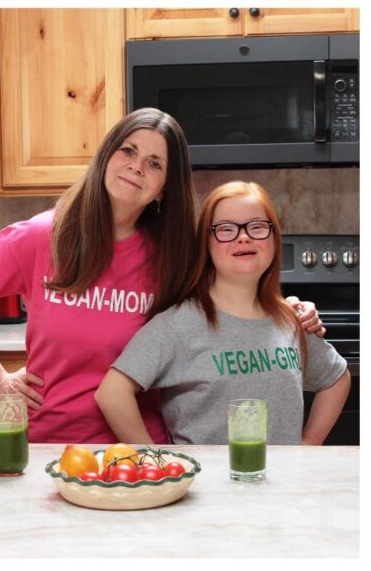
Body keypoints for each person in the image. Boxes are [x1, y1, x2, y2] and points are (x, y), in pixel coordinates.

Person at [0, 107, 325, 444]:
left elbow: (236, 295)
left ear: (162, 189)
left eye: (155, 164)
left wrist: (289, 309)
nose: (137, 167)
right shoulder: (39, 238)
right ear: (107, 156)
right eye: (128, 151)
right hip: (49, 444)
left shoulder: (173, 255)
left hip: (143, 447)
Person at [95, 181, 350, 445]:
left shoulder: (292, 321)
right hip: (206, 486)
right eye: (226, 229)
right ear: (206, 244)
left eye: (257, 226)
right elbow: (112, 393)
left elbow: (337, 379)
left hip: (284, 486)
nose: (244, 236)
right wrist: (155, 462)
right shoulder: (177, 326)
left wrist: (308, 445)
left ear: (274, 239)